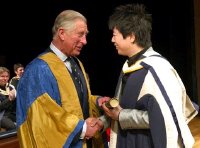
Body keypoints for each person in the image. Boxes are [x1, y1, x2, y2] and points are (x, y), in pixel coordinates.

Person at [98, 3, 199, 148]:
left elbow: (165, 119)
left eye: (115, 35)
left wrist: (122, 116)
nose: (112, 40)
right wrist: (104, 120)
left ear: (131, 37)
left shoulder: (158, 70)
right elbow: (121, 107)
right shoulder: (130, 66)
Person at [16, 10, 108, 148]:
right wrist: (82, 129)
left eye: (85, 35)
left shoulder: (76, 63)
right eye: (80, 34)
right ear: (62, 33)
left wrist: (97, 101)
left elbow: (77, 103)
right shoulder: (38, 70)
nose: (85, 41)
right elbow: (44, 118)